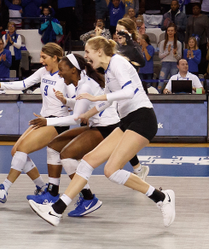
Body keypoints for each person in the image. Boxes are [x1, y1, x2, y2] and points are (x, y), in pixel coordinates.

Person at [29, 37, 176, 228]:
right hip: (127, 120)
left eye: (88, 52)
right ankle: (56, 210)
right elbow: (106, 102)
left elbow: (129, 92)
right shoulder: (108, 70)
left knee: (111, 170)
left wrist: (95, 96)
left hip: (142, 119)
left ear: (99, 50)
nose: (86, 56)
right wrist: (87, 113)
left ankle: (163, 198)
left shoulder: (118, 63)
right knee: (88, 161)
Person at [26, 54, 148, 215]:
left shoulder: (84, 86)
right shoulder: (81, 82)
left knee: (67, 155)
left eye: (62, 70)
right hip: (98, 125)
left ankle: (88, 199)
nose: (59, 73)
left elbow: (76, 118)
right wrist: (66, 102)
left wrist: (47, 122)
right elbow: (82, 106)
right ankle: (52, 193)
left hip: (107, 127)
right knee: (54, 146)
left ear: (73, 70)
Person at [0, 43, 69, 203]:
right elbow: (23, 84)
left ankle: (4, 189)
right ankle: (42, 187)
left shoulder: (65, 75)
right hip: (44, 119)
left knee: (23, 149)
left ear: (55, 58)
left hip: (57, 122)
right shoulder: (44, 72)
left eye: (44, 57)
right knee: (16, 151)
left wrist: (67, 101)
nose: (41, 61)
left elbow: (74, 99)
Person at [158, 24, 183, 92]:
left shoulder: (178, 43)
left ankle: (175, 97)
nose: (170, 32)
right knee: (161, 81)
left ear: (175, 32)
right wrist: (167, 52)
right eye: (168, 31)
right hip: (165, 64)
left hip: (174, 64)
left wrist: (175, 53)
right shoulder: (162, 43)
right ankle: (158, 96)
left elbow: (179, 57)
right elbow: (160, 56)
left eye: (172, 30)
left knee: (174, 82)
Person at [186, 4, 209, 74]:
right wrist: (186, 41)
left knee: (202, 58)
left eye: (197, 8)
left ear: (200, 9)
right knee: (191, 57)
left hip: (202, 41)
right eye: (193, 9)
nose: (195, 10)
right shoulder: (190, 18)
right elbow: (187, 30)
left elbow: (208, 30)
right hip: (191, 41)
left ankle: (202, 73)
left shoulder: (205, 18)